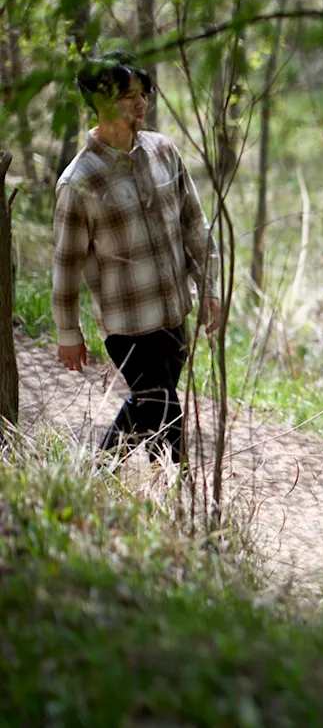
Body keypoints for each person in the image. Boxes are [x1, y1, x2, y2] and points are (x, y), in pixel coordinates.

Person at [52, 51, 220, 464]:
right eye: (129, 96)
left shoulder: (164, 151)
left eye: (143, 94)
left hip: (174, 311)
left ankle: (99, 475)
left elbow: (194, 225)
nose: (141, 104)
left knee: (148, 408)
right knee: (163, 409)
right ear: (102, 102)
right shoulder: (79, 181)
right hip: (127, 325)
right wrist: (68, 332)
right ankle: (180, 498)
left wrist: (210, 288)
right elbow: (66, 265)